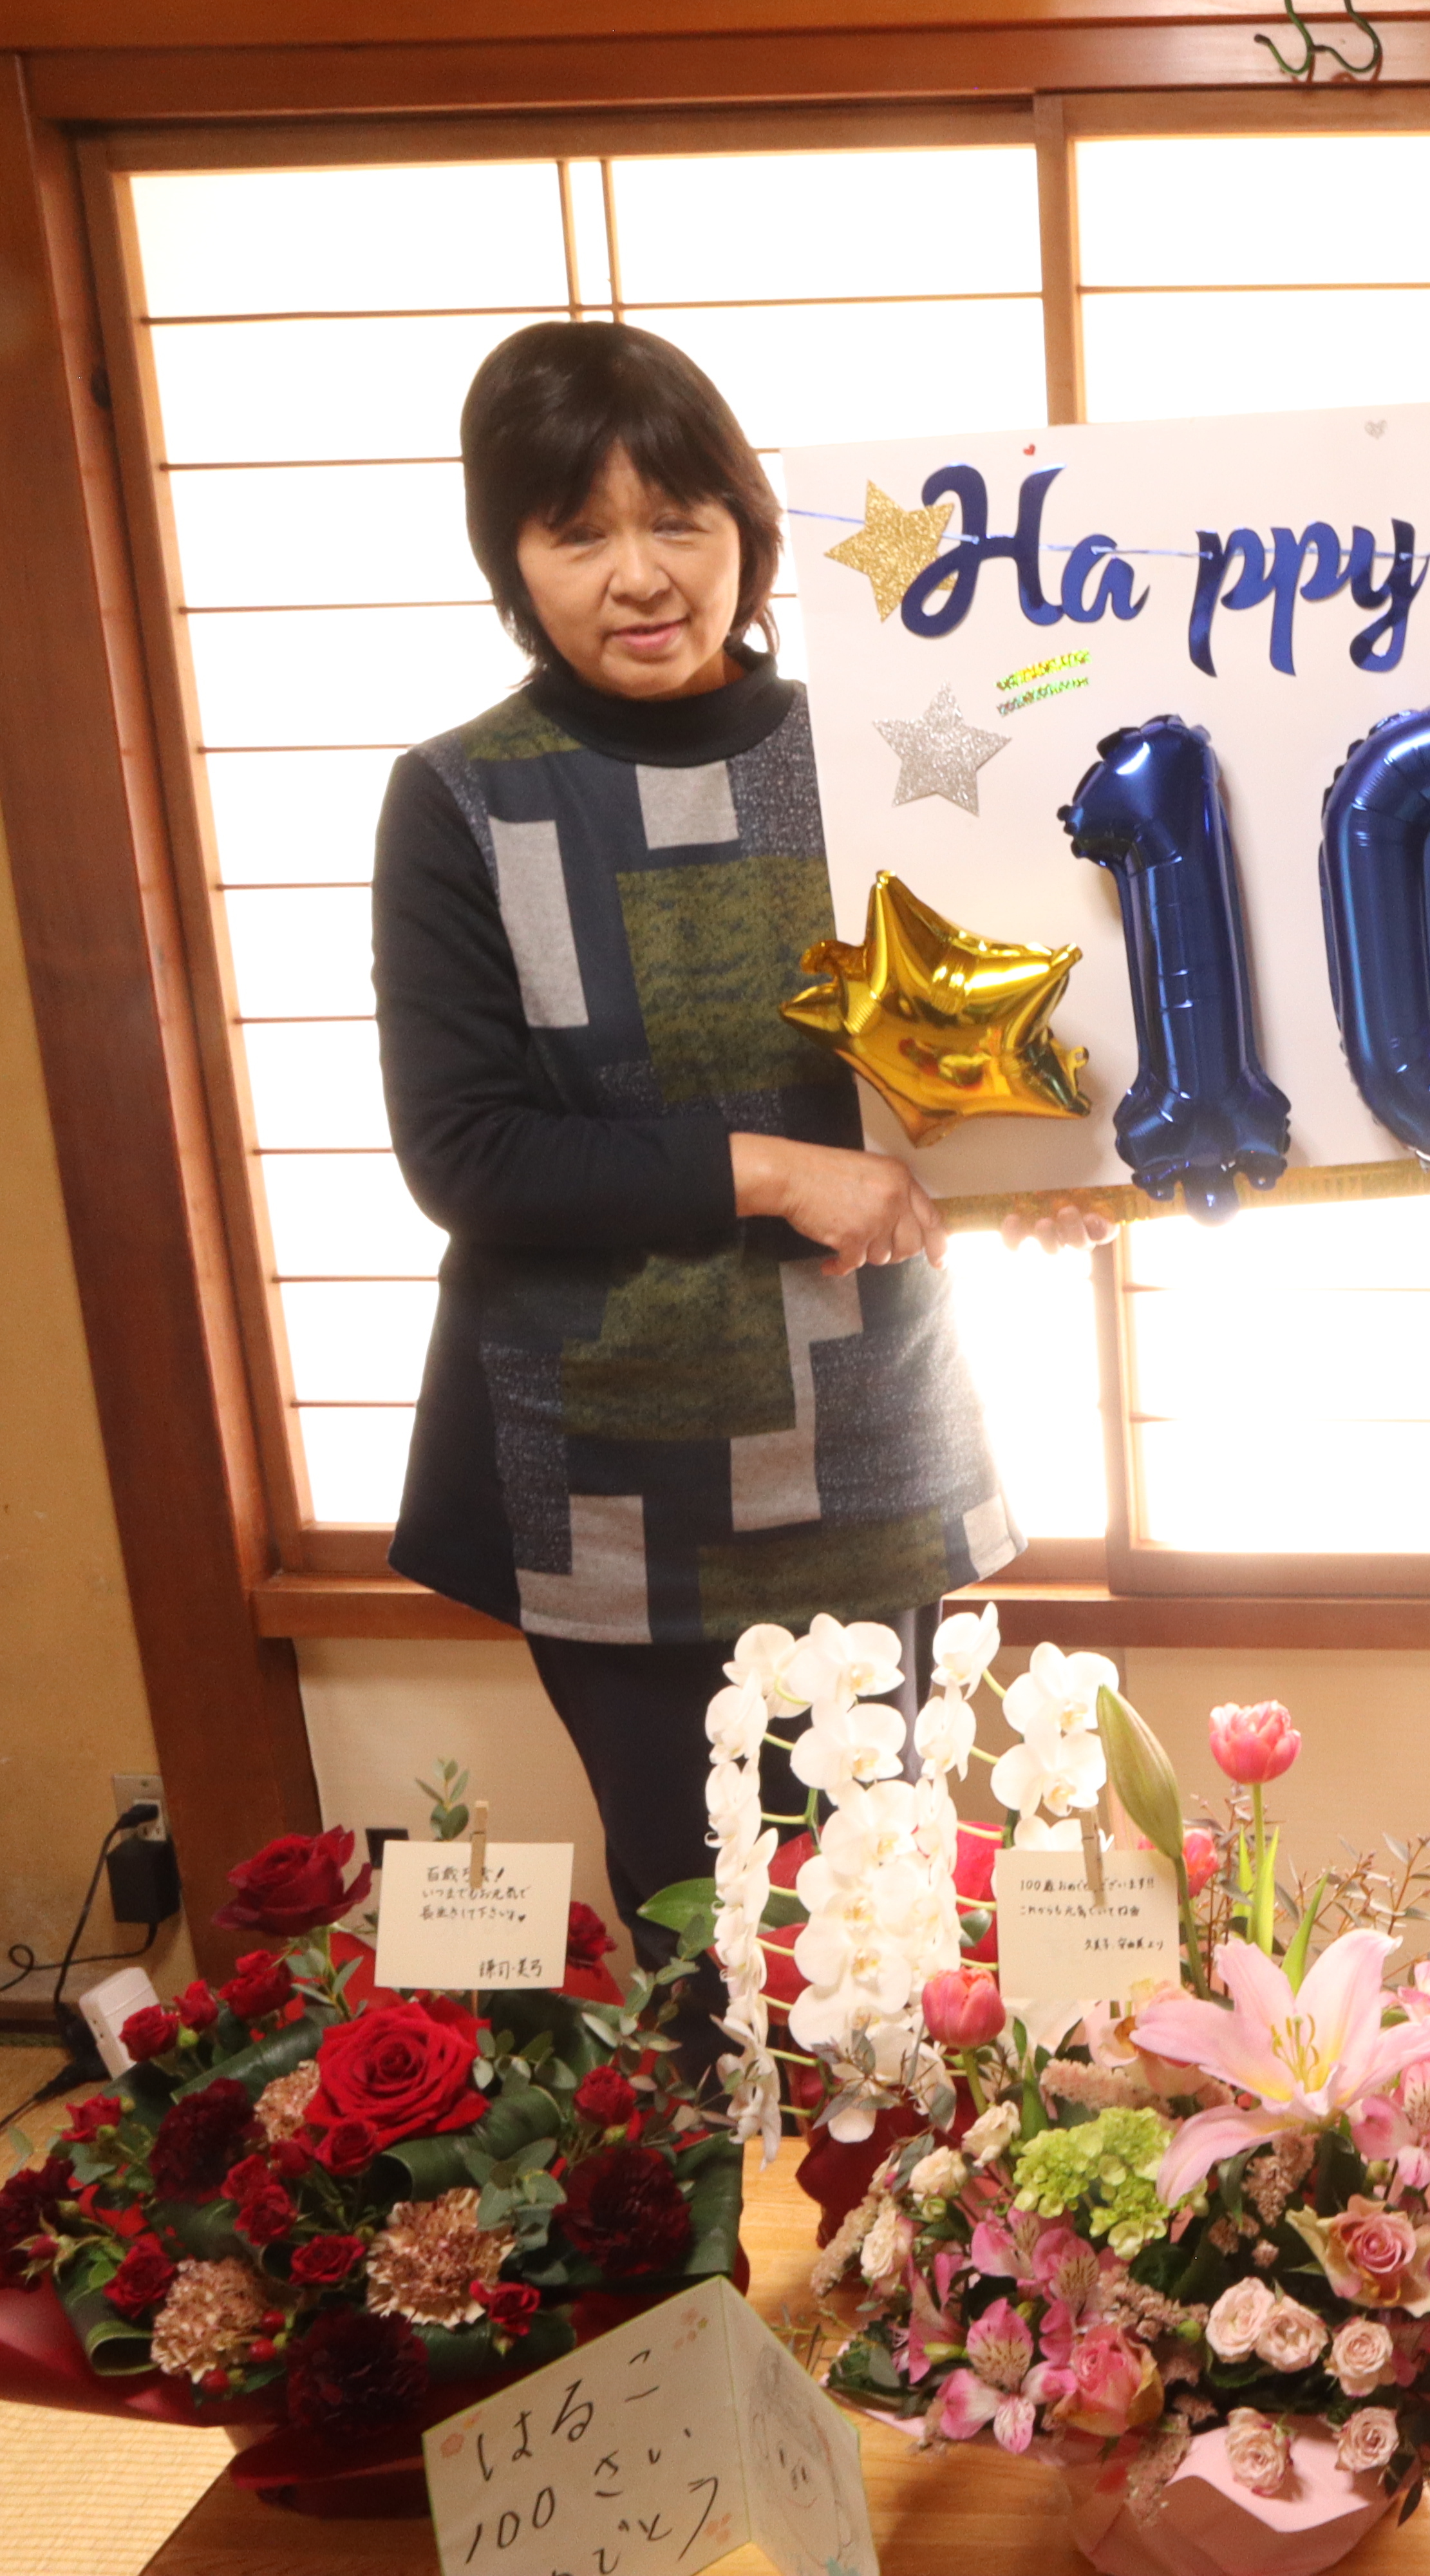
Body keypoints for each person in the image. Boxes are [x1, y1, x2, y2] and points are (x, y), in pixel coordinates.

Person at [372, 321, 1098, 1988]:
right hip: (606, 1474)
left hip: (862, 1433)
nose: (641, 574)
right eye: (579, 533)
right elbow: (467, 1154)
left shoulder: (882, 749)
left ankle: (877, 2257)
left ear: (749, 534)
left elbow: (969, 1038)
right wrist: (771, 1172)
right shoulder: (460, 798)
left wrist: (1050, 1160)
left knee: (880, 1942)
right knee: (698, 1950)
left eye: (680, 520)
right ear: (513, 558)